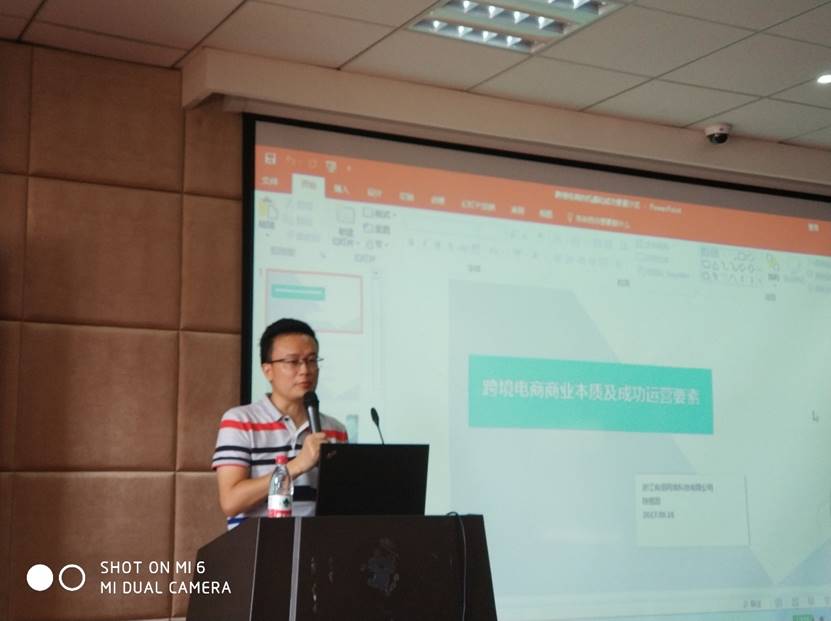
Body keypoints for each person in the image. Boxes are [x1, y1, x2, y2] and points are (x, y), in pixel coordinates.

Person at [212, 318, 348, 529]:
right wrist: (297, 465)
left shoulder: (335, 430)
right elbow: (231, 502)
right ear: (267, 370)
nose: (305, 370)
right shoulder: (240, 421)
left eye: (312, 360)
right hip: (258, 543)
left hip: (317, 542)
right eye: (293, 362)